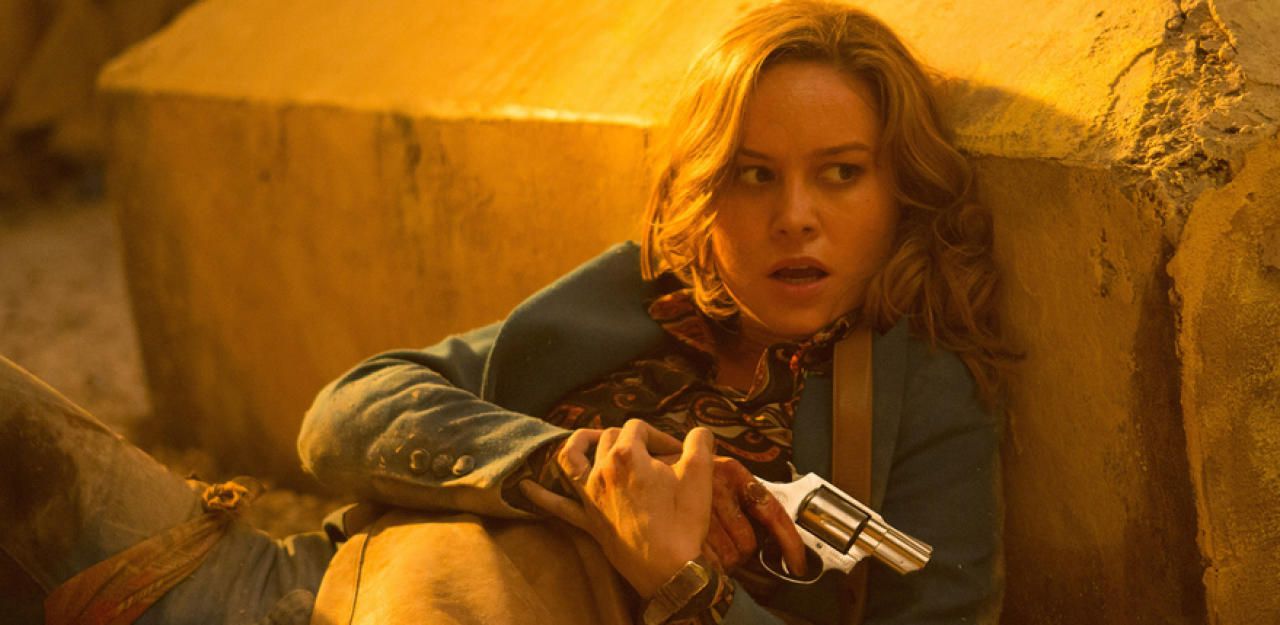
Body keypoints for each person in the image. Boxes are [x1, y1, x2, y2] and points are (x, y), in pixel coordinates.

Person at [0, 1, 1009, 623]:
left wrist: (677, 577)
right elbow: (345, 413)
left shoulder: (921, 399)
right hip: (283, 592)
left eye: (839, 173)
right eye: (753, 174)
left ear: (897, 189)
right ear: (705, 191)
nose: (794, 217)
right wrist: (569, 465)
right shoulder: (648, 297)